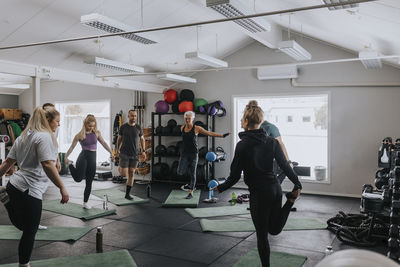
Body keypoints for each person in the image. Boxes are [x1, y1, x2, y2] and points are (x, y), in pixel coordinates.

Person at [214, 100, 302, 267]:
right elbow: (285, 165)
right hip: (275, 189)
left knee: (262, 237)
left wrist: (220, 187)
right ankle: (290, 201)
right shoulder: (272, 142)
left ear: (246, 122)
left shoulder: (241, 145)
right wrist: (297, 183)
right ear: (260, 122)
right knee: (274, 229)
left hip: (259, 194)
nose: (241, 122)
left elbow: (234, 176)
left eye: (242, 120)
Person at [0, 107, 69, 267]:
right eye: (57, 121)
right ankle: (24, 264)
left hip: (14, 185)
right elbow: (47, 164)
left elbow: (7, 163)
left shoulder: (24, 136)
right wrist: (62, 187)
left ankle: (7, 201)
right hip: (29, 189)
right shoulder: (44, 137)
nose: (58, 125)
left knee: (26, 227)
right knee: (30, 231)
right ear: (48, 121)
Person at [64, 114, 113, 209]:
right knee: (78, 178)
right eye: (89, 126)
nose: (91, 127)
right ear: (85, 124)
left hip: (93, 159)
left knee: (89, 182)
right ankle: (70, 164)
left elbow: (104, 143)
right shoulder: (79, 135)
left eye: (93, 126)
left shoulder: (97, 133)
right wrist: (66, 157)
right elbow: (72, 147)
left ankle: (85, 202)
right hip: (83, 157)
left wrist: (111, 152)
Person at [178, 111, 230, 199]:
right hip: (184, 154)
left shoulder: (196, 128)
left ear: (193, 118)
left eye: (189, 118)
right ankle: (189, 185)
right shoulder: (182, 128)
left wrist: (222, 135)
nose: (187, 120)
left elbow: (209, 133)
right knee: (180, 172)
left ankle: (191, 192)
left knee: (193, 173)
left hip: (194, 154)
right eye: (186, 118)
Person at [116, 109, 145, 200]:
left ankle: (127, 194)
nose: (134, 117)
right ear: (128, 116)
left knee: (132, 173)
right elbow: (119, 139)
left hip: (135, 154)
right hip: (124, 153)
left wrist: (143, 151)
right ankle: (120, 166)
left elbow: (142, 139)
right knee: (123, 174)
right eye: (132, 115)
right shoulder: (123, 127)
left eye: (135, 116)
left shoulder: (138, 127)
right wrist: (117, 149)